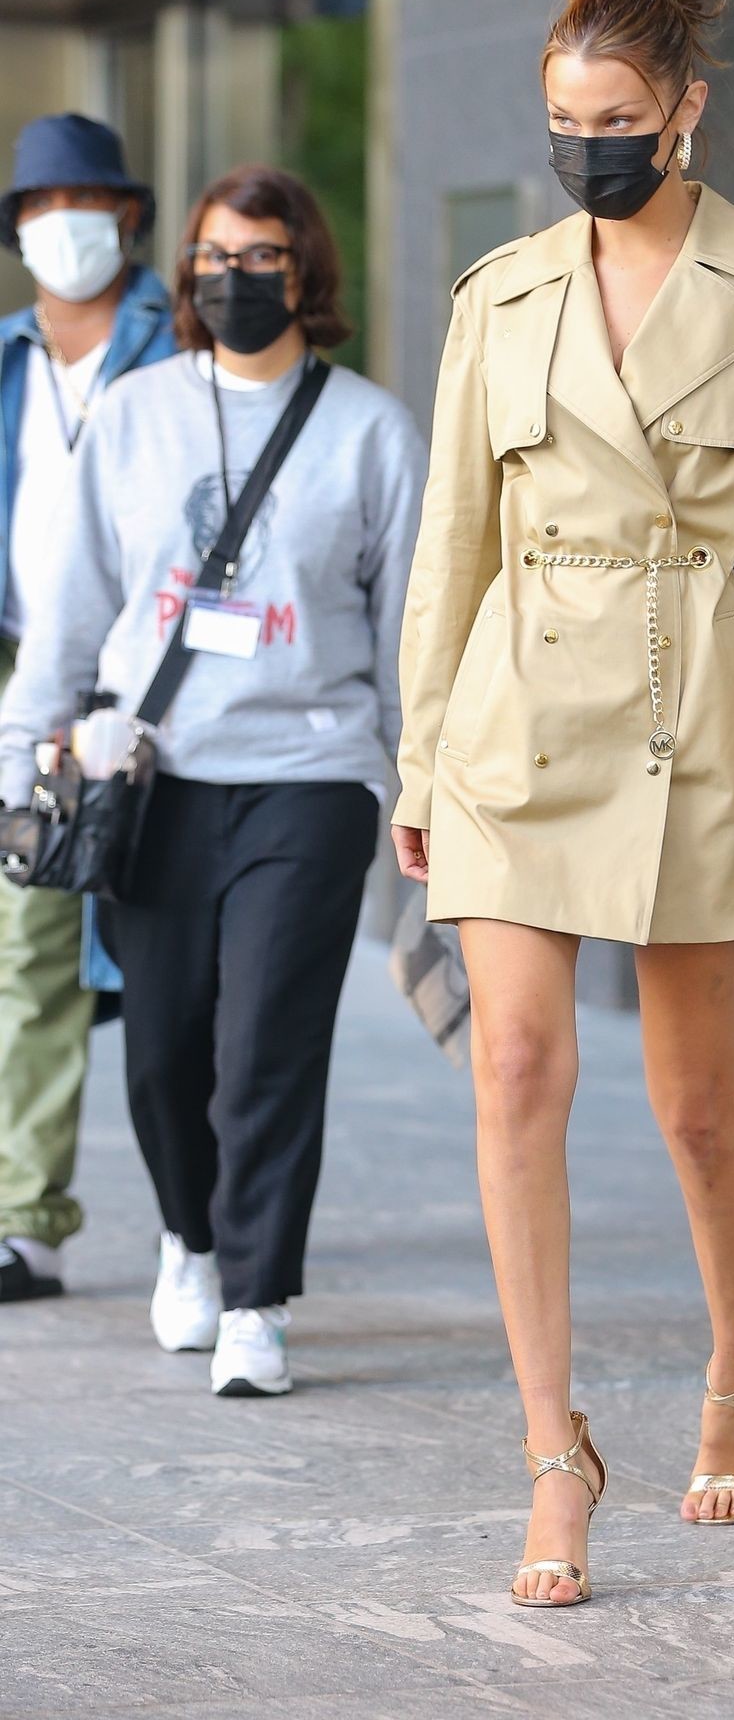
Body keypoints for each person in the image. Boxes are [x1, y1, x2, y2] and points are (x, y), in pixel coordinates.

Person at [393, 0, 734, 1607]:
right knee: (517, 1065)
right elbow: (452, 541)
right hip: (515, 715)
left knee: (697, 1105)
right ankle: (556, 1454)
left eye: (617, 120)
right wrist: (418, 759)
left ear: (685, 109)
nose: (588, 148)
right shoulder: (500, 295)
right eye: (564, 121)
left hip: (699, 712)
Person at [0, 164, 426, 1392]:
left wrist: (419, 783)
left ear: (307, 273)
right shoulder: (133, 417)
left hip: (311, 776)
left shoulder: (372, 432)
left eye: (261, 258)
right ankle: (188, 1239)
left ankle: (256, 1297)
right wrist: (22, 749)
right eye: (215, 257)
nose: (235, 278)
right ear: (187, 270)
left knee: (266, 1042)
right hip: (156, 775)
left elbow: (407, 633)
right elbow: (73, 608)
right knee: (164, 1048)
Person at [0, 113, 175, 1305]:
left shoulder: (181, 339)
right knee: (31, 950)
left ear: (128, 215)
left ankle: (203, 1225)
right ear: (18, 228)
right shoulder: (8, 360)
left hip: (161, 685)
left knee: (178, 963)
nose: (65, 223)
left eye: (86, 201)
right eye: (42, 205)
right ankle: (28, 1223)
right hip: (33, 686)